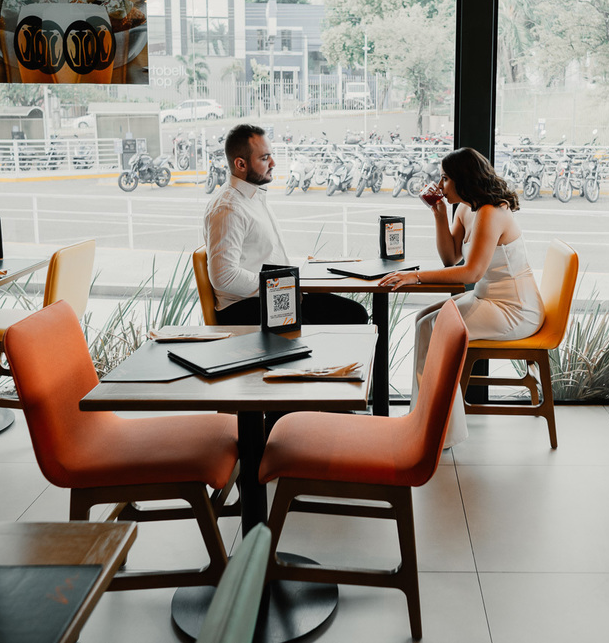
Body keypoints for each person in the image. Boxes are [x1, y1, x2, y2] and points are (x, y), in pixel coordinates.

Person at [379, 148, 545, 447]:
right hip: (488, 301)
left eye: (445, 179)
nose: (440, 186)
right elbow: (450, 258)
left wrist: (415, 275)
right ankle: (427, 421)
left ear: (462, 179)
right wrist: (439, 215)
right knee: (422, 321)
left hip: (514, 310)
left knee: (432, 328)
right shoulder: (467, 208)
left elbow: (470, 274)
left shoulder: (491, 212)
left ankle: (436, 431)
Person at [203, 123, 368, 325]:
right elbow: (224, 277)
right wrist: (283, 286)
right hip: (243, 308)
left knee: (354, 314)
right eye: (264, 158)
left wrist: (288, 284)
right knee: (322, 326)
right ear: (241, 164)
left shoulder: (252, 196)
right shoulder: (228, 208)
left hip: (271, 295)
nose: (273, 162)